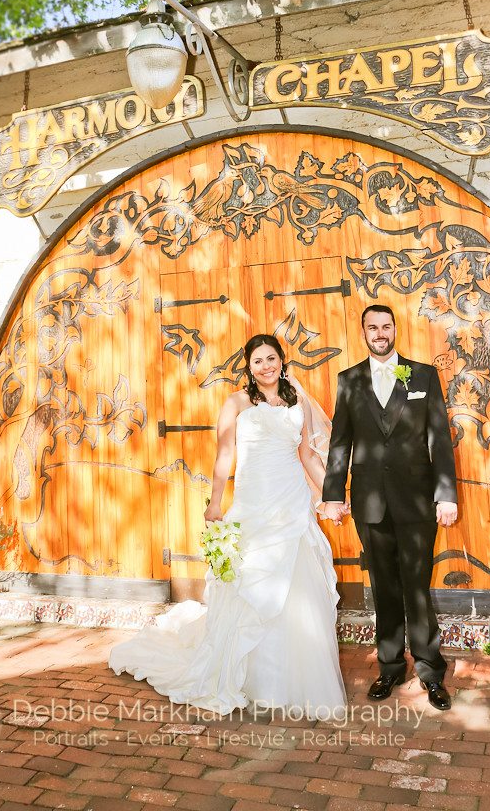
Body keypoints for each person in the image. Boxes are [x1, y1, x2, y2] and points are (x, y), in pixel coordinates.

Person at [109, 334, 347, 719]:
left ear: (282, 362)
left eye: (272, 358)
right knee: (251, 585)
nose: (266, 366)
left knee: (295, 582)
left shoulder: (296, 401)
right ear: (249, 368)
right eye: (258, 361)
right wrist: (216, 502)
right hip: (253, 501)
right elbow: (224, 455)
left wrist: (330, 495)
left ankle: (293, 678)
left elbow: (306, 455)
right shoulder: (236, 402)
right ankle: (250, 677)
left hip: (290, 501)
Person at [321, 304, 458, 709]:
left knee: (416, 587)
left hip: (417, 499)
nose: (379, 333)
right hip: (370, 502)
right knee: (383, 588)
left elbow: (439, 437)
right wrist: (332, 494)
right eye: (372, 327)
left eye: (385, 326)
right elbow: (339, 442)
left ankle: (431, 672)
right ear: (363, 332)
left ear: (395, 329)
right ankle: (390, 668)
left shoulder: (422, 375)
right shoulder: (349, 380)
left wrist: (446, 494)